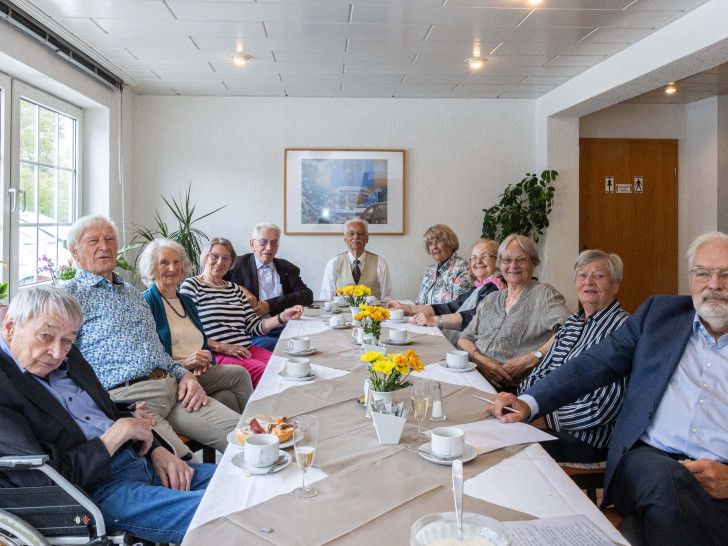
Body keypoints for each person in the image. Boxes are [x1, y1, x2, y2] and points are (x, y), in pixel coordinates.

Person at [489, 232, 728, 546]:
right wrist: (530, 403)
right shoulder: (660, 315)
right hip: (650, 462)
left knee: (644, 528)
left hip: (721, 474)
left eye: (725, 274)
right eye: (703, 273)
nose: (713, 284)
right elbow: (593, 365)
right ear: (690, 278)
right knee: (666, 479)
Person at [0, 285, 216, 544]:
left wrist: (158, 451)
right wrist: (116, 436)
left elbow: (109, 410)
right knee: (222, 513)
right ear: (10, 327)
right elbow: (44, 479)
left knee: (247, 481)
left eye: (67, 339)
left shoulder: (70, 357)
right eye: (46, 335)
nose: (58, 352)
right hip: (96, 492)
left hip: (140, 460)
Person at [63, 214, 245, 461]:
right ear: (75, 251)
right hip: (131, 402)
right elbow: (64, 369)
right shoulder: (68, 298)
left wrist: (186, 375)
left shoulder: (131, 293)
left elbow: (158, 352)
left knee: (249, 439)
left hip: (172, 387)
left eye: (110, 239)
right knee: (186, 470)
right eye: (93, 241)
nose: (104, 246)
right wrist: (113, 409)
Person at [519, 249, 630, 463]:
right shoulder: (571, 324)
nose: (589, 281)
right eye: (582, 275)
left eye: (599, 276)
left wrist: (546, 419)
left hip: (586, 439)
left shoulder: (624, 329)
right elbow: (538, 373)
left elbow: (605, 405)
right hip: (543, 420)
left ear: (616, 284)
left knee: (511, 447)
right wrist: (527, 405)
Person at [139, 238, 254, 413]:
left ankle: (242, 436)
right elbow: (148, 358)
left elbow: (201, 342)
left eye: (176, 262)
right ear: (152, 268)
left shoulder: (186, 301)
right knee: (240, 374)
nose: (172, 268)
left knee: (227, 397)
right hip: (174, 376)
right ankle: (258, 430)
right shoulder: (146, 302)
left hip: (200, 372)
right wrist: (185, 363)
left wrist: (206, 360)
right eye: (164, 263)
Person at [180, 237, 304, 387]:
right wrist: (224, 347)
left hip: (245, 349)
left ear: (231, 262)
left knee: (286, 366)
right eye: (215, 256)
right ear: (205, 257)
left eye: (226, 258)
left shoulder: (235, 289)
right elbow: (187, 332)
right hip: (216, 354)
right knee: (268, 375)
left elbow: (254, 326)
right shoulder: (192, 285)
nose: (220, 262)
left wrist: (282, 316)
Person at [456, 234, 571, 391]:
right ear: (500, 264)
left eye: (521, 259)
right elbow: (463, 340)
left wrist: (534, 358)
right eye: (507, 260)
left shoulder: (544, 294)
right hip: (474, 375)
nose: (513, 265)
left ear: (533, 263)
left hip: (510, 389)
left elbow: (571, 330)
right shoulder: (491, 299)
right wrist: (481, 360)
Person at [389, 239, 504, 344]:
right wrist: (406, 308)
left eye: (484, 256)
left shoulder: (497, 288)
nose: (478, 261)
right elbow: (449, 307)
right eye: (474, 257)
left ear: (498, 261)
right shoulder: (480, 286)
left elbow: (473, 316)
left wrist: (434, 321)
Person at [224, 223, 313, 351]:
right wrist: (237, 288)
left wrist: (270, 305)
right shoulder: (234, 265)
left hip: (285, 327)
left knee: (313, 341)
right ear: (252, 244)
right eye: (263, 242)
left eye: (274, 243)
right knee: (280, 347)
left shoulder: (287, 268)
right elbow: (214, 283)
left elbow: (306, 295)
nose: (269, 248)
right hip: (252, 332)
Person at [319, 217, 393, 300]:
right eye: (351, 233)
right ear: (345, 238)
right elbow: (326, 299)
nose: (356, 237)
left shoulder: (380, 263)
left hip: (371, 312)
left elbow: (387, 299)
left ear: (367, 238)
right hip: (341, 312)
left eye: (360, 233)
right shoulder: (333, 263)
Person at [415, 224, 473, 305]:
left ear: (450, 243)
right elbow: (418, 303)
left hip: (442, 318)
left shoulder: (463, 269)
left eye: (439, 241)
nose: (434, 247)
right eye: (430, 243)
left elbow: (459, 307)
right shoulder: (430, 271)